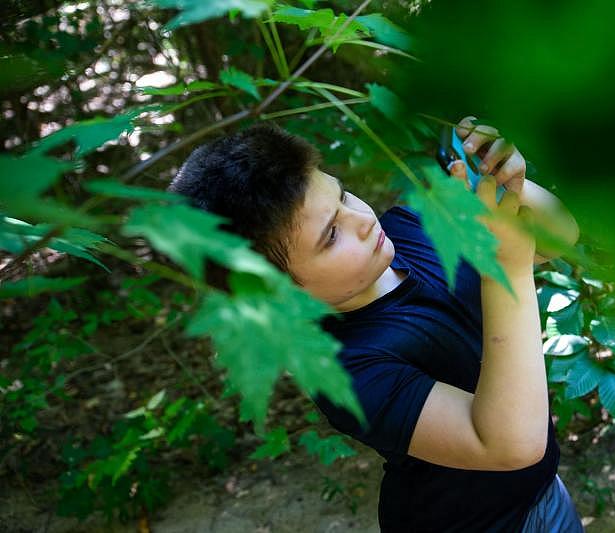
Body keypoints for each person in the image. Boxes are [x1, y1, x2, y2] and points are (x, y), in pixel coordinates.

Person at [168, 115, 584, 532]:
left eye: (344, 197)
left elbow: (559, 236)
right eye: (331, 235)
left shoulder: (410, 227)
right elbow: (510, 443)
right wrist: (505, 267)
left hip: (542, 492)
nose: (363, 220)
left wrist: (510, 186)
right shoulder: (347, 371)